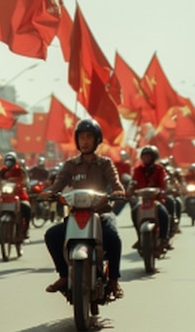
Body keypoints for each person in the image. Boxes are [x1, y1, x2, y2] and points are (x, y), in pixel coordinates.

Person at [41, 119, 124, 298]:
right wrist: (49, 193)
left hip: (100, 215)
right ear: (77, 141)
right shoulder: (70, 165)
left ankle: (114, 281)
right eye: (81, 137)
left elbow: (116, 183)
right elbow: (58, 185)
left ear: (97, 140)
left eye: (89, 137)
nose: (85, 141)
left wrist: (117, 191)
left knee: (114, 239)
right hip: (76, 215)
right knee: (52, 236)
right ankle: (64, 275)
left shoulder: (105, 164)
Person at [128, 145, 172, 251]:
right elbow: (134, 182)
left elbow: (164, 182)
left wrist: (164, 190)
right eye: (144, 156)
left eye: (148, 156)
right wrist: (131, 189)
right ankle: (139, 237)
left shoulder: (159, 169)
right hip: (143, 201)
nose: (146, 158)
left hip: (156, 200)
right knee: (134, 211)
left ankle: (163, 239)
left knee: (164, 214)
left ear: (153, 157)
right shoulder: (138, 170)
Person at [0, 151, 31, 242]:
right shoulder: (2, 170)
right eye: (7, 160)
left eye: (11, 160)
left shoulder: (21, 170)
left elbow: (26, 180)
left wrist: (25, 185)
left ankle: (25, 231)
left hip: (19, 195)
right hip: (4, 197)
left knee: (27, 208)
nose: (9, 162)